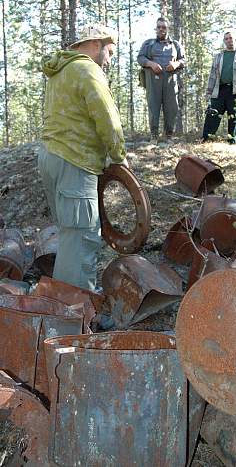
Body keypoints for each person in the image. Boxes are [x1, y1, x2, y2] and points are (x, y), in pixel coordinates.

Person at [38, 24, 127, 291]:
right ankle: (76, 313)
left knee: (70, 236)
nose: (109, 60)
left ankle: (65, 305)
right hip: (75, 162)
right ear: (96, 44)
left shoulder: (60, 71)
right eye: (109, 52)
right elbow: (108, 119)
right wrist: (119, 157)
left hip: (51, 158)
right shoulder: (88, 70)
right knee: (81, 239)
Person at [137, 16, 185, 141]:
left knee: (172, 108)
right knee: (153, 107)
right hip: (153, 81)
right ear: (156, 28)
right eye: (159, 27)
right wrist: (151, 64)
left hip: (170, 80)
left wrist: (176, 64)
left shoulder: (175, 45)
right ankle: (154, 136)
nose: (161, 29)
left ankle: (169, 135)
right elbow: (140, 58)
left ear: (168, 28)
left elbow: (184, 59)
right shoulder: (148, 43)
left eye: (164, 27)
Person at [201, 31, 236, 144]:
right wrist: (209, 93)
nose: (229, 40)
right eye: (227, 39)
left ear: (234, 40)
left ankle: (232, 140)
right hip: (218, 89)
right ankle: (207, 139)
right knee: (213, 113)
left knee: (233, 115)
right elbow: (212, 75)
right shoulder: (219, 56)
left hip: (234, 90)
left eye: (231, 38)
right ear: (224, 41)